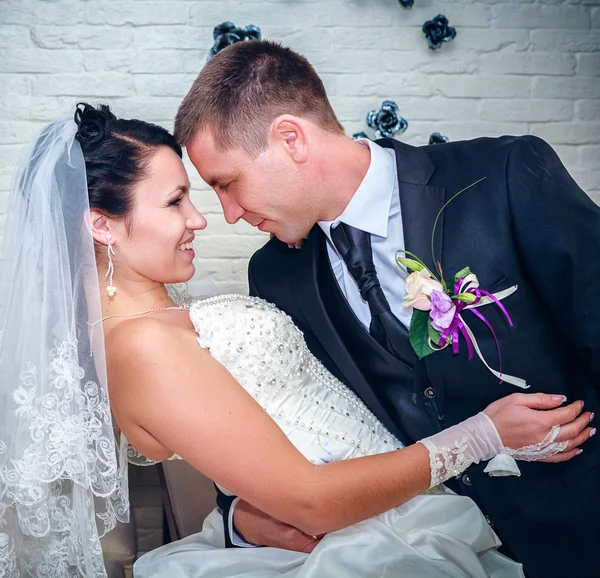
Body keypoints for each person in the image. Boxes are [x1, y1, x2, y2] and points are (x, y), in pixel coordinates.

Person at [0, 103, 591, 578]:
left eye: (216, 188)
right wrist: (481, 435)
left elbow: (259, 430)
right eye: (179, 199)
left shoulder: (504, 175)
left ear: (291, 139)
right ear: (101, 223)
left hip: (553, 510)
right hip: (384, 537)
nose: (211, 217)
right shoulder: (155, 339)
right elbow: (293, 485)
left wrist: (247, 520)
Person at [174, 40, 600, 578]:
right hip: (422, 549)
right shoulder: (275, 273)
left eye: (227, 184)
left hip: (578, 522)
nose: (229, 215)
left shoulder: (503, 177)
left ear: (290, 138)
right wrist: (241, 517)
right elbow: (282, 415)